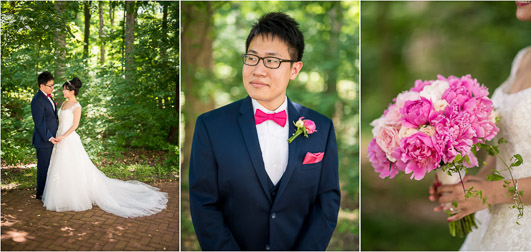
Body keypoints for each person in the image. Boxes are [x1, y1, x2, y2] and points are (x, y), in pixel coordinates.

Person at [189, 12, 340, 250]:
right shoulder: (210, 126)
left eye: (272, 61)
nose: (258, 70)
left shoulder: (322, 128)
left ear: (294, 69)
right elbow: (204, 204)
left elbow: (327, 201)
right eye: (252, 58)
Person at [430, 1, 531, 250]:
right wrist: (466, 186)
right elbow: (506, 148)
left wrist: (490, 193)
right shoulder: (523, 57)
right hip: (493, 219)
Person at [42, 77, 168, 218]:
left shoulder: (77, 106)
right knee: (61, 167)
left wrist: (64, 136)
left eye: (65, 88)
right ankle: (62, 195)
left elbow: (75, 125)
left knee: (73, 167)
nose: (63, 90)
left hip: (68, 139)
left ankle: (77, 197)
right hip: (59, 138)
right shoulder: (64, 103)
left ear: (72, 91)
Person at [31, 71, 58, 200]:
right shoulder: (37, 100)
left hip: (53, 139)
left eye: (53, 85)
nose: (52, 88)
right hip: (44, 140)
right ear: (42, 86)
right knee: (43, 168)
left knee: (50, 167)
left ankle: (48, 192)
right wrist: (49, 137)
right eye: (50, 86)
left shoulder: (48, 97)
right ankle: (41, 194)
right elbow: (40, 123)